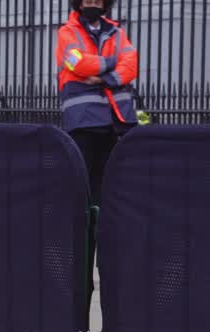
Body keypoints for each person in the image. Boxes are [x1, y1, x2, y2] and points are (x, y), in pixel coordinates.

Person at [56, 0, 138, 301]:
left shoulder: (116, 32)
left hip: (115, 124)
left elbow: (131, 65)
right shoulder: (67, 32)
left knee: (108, 198)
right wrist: (110, 64)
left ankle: (105, 247)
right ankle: (81, 251)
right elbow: (75, 62)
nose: (92, 1)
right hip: (83, 124)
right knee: (82, 194)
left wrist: (101, 76)